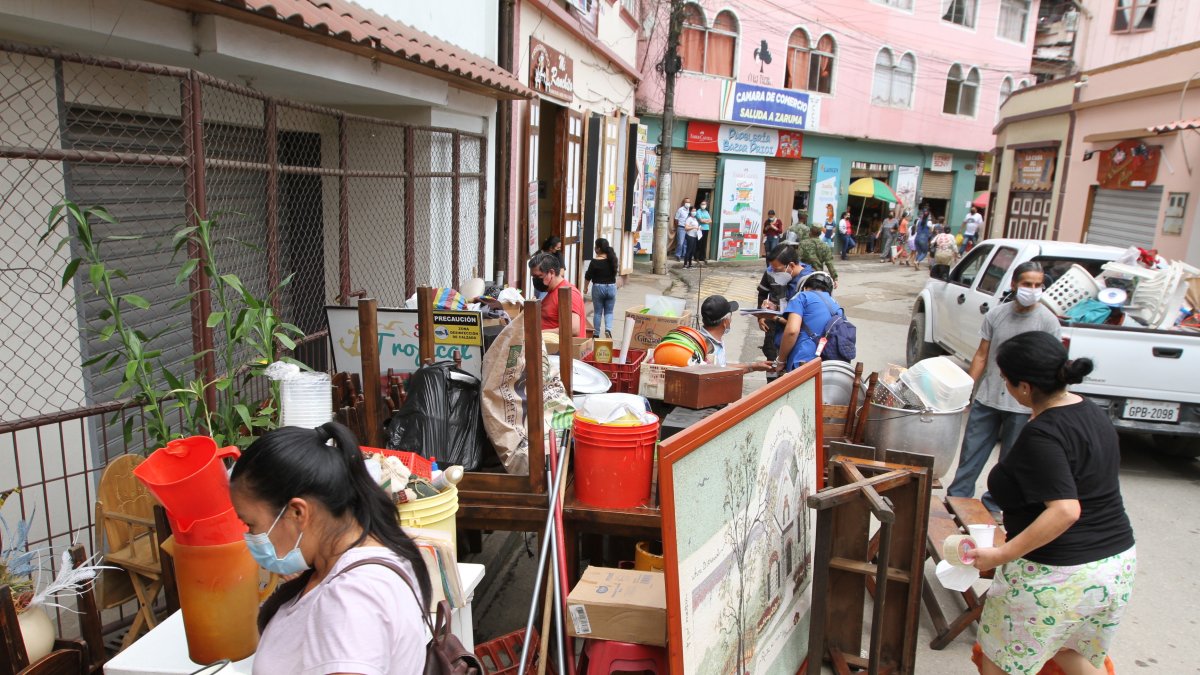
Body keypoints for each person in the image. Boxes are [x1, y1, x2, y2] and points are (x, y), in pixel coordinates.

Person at [973, 331, 1136, 675]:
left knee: (1001, 662)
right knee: (1065, 648)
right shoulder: (1090, 410)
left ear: (1025, 387)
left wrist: (1001, 554)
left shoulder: (1042, 434)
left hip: (1058, 574)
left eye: (1005, 380)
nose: (1004, 386)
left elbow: (1065, 510)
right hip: (1114, 565)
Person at [232, 423, 432, 674]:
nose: (250, 536)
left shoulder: (352, 598)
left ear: (297, 512)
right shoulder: (373, 551)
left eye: (251, 524)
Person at [947, 261, 1062, 514]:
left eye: (1037, 285)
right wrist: (967, 391)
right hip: (988, 398)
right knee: (971, 454)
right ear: (1014, 284)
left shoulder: (1048, 322)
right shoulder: (997, 315)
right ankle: (958, 500)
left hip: (1022, 406)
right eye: (1026, 284)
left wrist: (1041, 408)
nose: (1032, 289)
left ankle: (995, 505)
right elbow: (981, 356)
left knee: (1011, 461)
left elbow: (1052, 368)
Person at [775, 271, 845, 372]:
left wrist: (780, 361)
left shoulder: (802, 296)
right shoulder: (837, 306)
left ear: (804, 287)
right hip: (831, 365)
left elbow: (792, 331)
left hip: (803, 361)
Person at [698, 295, 773, 373]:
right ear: (725, 322)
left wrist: (754, 366)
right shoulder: (709, 349)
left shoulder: (712, 339)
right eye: (730, 317)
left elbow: (722, 367)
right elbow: (719, 373)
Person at [528, 252, 586, 338]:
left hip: (561, 350)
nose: (535, 280)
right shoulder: (551, 291)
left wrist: (540, 333)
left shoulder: (569, 294)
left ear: (551, 273)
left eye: (538, 277)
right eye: (533, 277)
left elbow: (573, 329)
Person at [584, 238, 618, 339]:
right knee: (609, 311)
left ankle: (596, 333)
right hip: (611, 287)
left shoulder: (594, 262)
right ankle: (608, 329)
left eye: (595, 247)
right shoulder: (612, 259)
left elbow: (588, 276)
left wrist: (585, 288)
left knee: (598, 312)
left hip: (598, 288)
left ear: (598, 249)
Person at [797, 225, 839, 289]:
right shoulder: (825, 246)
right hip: (818, 275)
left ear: (810, 232)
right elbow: (829, 263)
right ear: (820, 233)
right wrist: (835, 278)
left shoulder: (803, 243)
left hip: (804, 275)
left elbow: (798, 259)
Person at [696, 198, 713, 264]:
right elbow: (701, 220)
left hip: (706, 229)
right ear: (700, 205)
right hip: (700, 229)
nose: (704, 205)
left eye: (705, 204)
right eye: (702, 204)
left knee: (704, 243)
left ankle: (702, 257)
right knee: (699, 243)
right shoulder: (698, 211)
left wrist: (704, 220)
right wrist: (706, 220)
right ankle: (696, 257)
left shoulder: (706, 212)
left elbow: (710, 221)